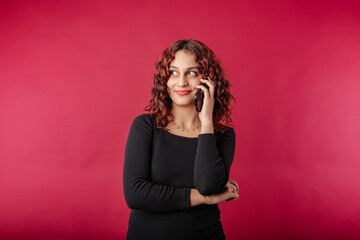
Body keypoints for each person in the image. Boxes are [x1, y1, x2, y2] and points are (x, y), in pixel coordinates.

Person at [123, 39, 239, 240]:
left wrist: (205, 124)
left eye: (192, 73)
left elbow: (207, 184)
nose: (182, 82)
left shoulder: (223, 135)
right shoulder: (146, 126)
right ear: (164, 78)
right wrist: (207, 199)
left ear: (208, 79)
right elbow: (135, 194)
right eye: (174, 72)